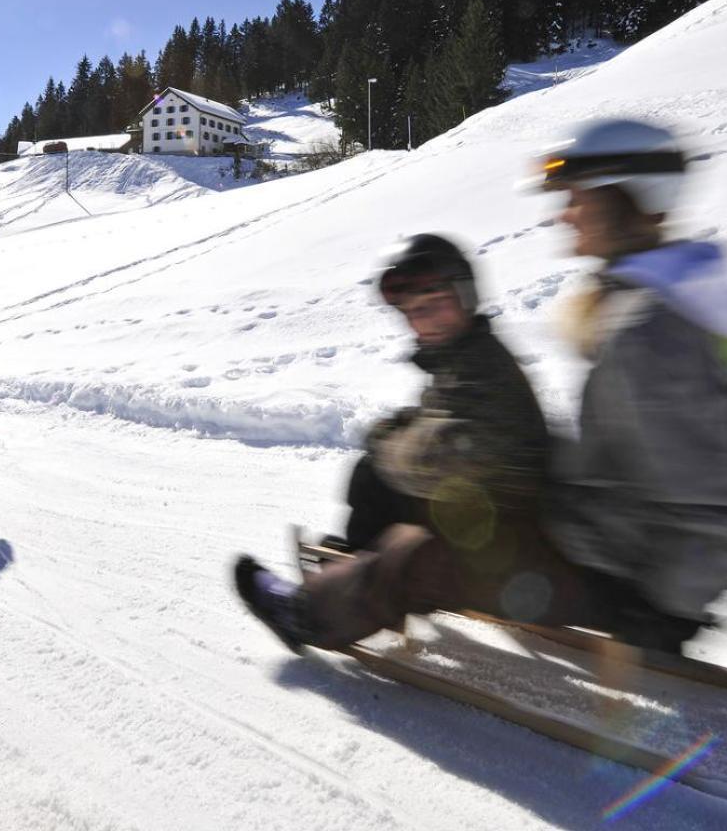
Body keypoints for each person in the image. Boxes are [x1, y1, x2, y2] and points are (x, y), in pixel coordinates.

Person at [236, 119, 727, 656]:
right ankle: (358, 574)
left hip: (624, 582)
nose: (566, 215)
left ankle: (310, 615)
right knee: (447, 514)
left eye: (577, 197)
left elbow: (716, 488)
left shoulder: (655, 326)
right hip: (594, 539)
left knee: (422, 554)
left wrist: (666, 610)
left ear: (626, 195)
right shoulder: (658, 304)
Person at [235, 233, 556, 651]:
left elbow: (445, 457)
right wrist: (397, 434)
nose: (424, 320)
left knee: (409, 547)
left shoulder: (484, 368)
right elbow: (439, 423)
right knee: (373, 473)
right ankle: (355, 560)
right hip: (497, 519)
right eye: (413, 312)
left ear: (464, 296)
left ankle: (306, 613)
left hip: (512, 549)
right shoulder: (463, 359)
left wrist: (391, 442)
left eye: (435, 304)